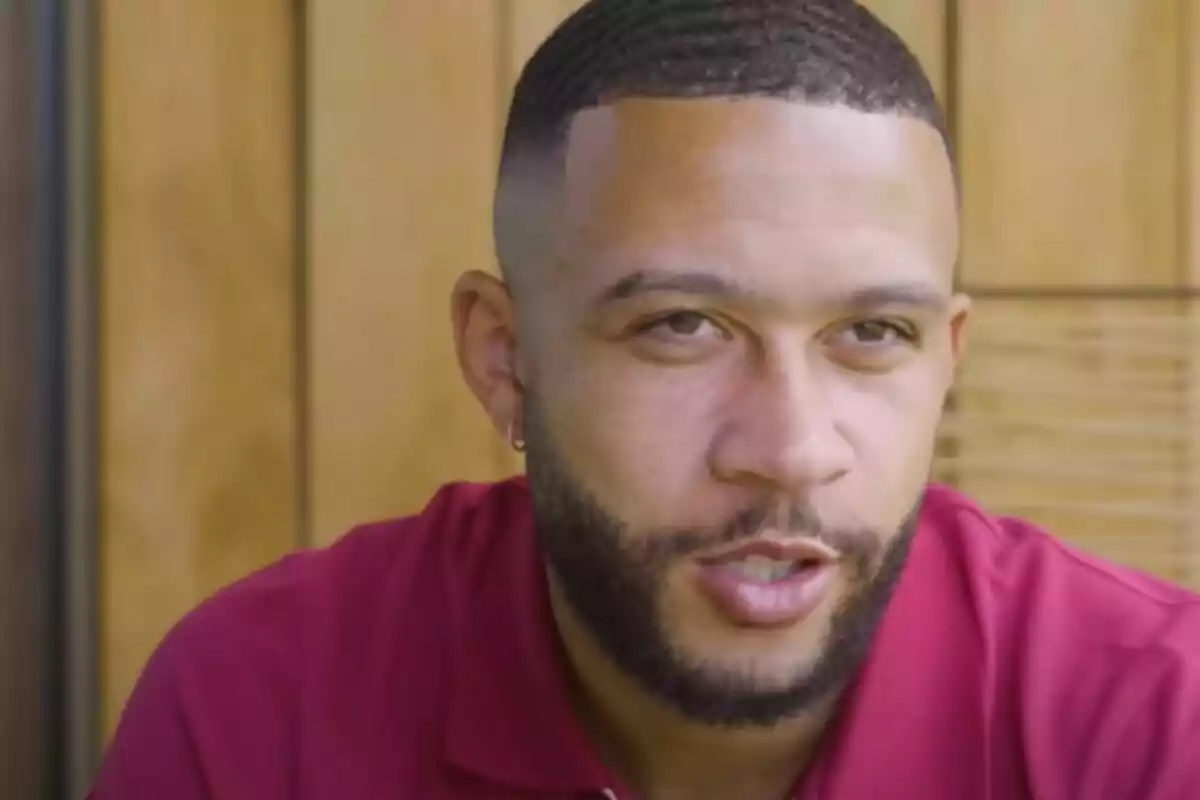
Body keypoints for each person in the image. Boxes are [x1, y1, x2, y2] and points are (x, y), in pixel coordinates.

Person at [89, 1, 1200, 798]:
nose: (792, 449)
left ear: (946, 358)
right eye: (682, 326)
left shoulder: (1152, 725)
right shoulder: (262, 711)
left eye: (872, 334)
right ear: (502, 356)